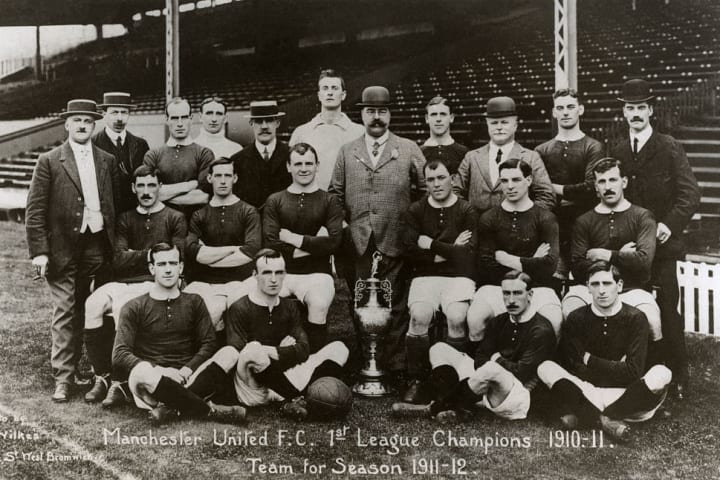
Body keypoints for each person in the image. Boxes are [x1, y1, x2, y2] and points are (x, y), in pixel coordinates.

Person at [608, 78, 701, 400]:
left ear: (650, 110)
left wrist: (669, 225)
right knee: (632, 307)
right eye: (629, 108)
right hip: (630, 246)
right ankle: (638, 369)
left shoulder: (669, 145)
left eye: (640, 108)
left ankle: (678, 374)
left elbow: (690, 194)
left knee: (665, 308)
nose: (635, 113)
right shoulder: (618, 149)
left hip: (662, 247)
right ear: (624, 112)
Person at [26, 99, 120, 402]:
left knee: (90, 309)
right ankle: (63, 378)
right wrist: (40, 252)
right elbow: (35, 210)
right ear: (67, 124)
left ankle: (93, 372)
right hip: (62, 248)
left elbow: (113, 204)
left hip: (97, 245)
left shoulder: (106, 159)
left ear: (94, 125)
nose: (82, 126)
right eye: (77, 120)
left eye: (88, 121)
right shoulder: (49, 160)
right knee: (65, 310)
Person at [185, 249, 350, 421]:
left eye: (279, 273)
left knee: (339, 348)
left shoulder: (289, 307)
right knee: (252, 349)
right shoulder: (240, 307)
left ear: (285, 274)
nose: (273, 279)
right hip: (253, 387)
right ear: (255, 275)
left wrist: (274, 351)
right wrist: (280, 350)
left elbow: (304, 349)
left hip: (284, 377)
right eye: (267, 273)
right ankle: (297, 399)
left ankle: (310, 398)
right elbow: (240, 351)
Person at [330, 85, 426, 373]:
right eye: (370, 111)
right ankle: (365, 360)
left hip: (396, 238)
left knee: (395, 303)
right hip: (358, 240)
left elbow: (424, 191)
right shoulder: (347, 151)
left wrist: (412, 226)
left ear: (390, 114)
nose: (376, 117)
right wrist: (344, 224)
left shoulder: (408, 148)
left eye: (382, 111)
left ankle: (394, 365)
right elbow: (334, 193)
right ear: (361, 114)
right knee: (359, 301)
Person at [83, 165, 187, 406]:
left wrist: (135, 255)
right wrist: (151, 253)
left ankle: (120, 382)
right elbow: (118, 260)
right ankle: (103, 376)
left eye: (152, 185)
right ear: (133, 188)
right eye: (141, 186)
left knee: (125, 308)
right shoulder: (125, 218)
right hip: (124, 281)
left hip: (154, 284)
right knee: (93, 303)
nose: (146, 191)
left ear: (160, 187)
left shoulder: (175, 217)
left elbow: (176, 259)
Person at [392, 271, 556, 422]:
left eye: (518, 293)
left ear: (530, 294)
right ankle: (460, 407)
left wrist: (496, 359)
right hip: (486, 382)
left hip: (516, 395)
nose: (511, 300)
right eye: (506, 293)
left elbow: (522, 373)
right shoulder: (499, 321)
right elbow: (480, 357)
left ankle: (433, 408)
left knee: (491, 368)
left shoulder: (541, 329)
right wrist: (490, 364)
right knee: (439, 349)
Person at [538, 261, 672, 442]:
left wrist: (590, 359)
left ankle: (588, 415)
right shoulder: (577, 318)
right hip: (589, 391)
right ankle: (606, 420)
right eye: (595, 284)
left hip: (627, 396)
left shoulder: (636, 318)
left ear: (619, 285)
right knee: (545, 367)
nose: (601, 290)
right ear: (587, 287)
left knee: (663, 374)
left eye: (607, 283)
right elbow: (575, 367)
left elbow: (633, 372)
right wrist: (616, 367)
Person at [112, 242, 245, 424]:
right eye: (161, 264)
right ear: (152, 268)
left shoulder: (194, 301)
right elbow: (119, 354)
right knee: (141, 372)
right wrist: (161, 370)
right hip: (153, 385)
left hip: (189, 379)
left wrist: (186, 370)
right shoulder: (134, 306)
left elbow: (209, 343)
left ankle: (170, 409)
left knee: (230, 353)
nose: (168, 270)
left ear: (180, 267)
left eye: (173, 263)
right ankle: (210, 411)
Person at [400, 157, 477, 403]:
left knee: (456, 317)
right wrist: (451, 249)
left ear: (452, 179)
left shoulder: (466, 210)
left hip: (458, 277)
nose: (436, 184)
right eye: (430, 179)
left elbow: (468, 255)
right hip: (424, 276)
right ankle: (418, 379)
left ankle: (451, 379)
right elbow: (411, 252)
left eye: (441, 177)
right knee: (419, 315)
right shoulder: (416, 210)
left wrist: (432, 245)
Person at [563, 158, 662, 343]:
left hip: (632, 289)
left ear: (624, 182)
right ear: (595, 186)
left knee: (652, 320)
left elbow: (643, 262)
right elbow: (577, 267)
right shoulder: (584, 221)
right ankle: (575, 366)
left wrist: (606, 254)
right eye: (602, 181)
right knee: (569, 310)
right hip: (590, 289)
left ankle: (653, 366)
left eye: (613, 180)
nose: (607, 187)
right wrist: (622, 256)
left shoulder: (642, 216)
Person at [467, 159, 562, 345]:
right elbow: (485, 265)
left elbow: (549, 265)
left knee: (555, 320)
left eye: (516, 180)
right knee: (475, 319)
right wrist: (531, 261)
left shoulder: (546, 218)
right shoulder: (489, 218)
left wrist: (508, 259)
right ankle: (478, 367)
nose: (509, 186)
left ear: (528, 180)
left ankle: (543, 369)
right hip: (496, 288)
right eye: (504, 181)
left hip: (537, 288)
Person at [263, 143, 344, 352]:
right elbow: (271, 241)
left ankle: (314, 363)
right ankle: (274, 361)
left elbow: (335, 242)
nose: (304, 168)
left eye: (309, 163)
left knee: (317, 304)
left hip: (317, 274)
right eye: (298, 163)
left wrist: (294, 239)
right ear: (288, 167)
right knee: (265, 304)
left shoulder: (329, 200)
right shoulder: (275, 200)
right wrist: (317, 244)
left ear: (317, 166)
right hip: (282, 272)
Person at [185, 158, 261, 332]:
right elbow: (193, 252)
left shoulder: (248, 211)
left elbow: (250, 251)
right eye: (218, 175)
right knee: (202, 316)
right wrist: (232, 249)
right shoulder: (199, 215)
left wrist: (209, 257)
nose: (223, 180)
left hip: (241, 281)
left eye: (227, 175)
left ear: (235, 178)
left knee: (238, 316)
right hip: (205, 283)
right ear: (210, 178)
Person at [535, 89, 604, 279]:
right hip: (553, 228)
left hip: (586, 227)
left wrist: (553, 187)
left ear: (580, 110)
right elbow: (537, 190)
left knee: (587, 282)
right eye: (560, 108)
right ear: (554, 112)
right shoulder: (542, 150)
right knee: (553, 280)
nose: (565, 112)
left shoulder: (593, 146)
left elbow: (590, 187)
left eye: (570, 107)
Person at [456, 96, 555, 215]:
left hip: (516, 229)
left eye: (504, 122)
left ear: (515, 125)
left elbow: (547, 196)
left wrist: (523, 220)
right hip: (476, 228)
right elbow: (455, 191)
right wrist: (467, 217)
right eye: (494, 123)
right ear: (487, 124)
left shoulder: (531, 157)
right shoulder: (471, 157)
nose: (499, 127)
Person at [289, 69, 364, 190]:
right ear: (319, 95)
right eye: (325, 88)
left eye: (334, 88)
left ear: (343, 95)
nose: (330, 93)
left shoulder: (359, 132)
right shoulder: (301, 132)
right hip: (312, 203)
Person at [143, 97, 213, 218]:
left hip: (195, 226)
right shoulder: (153, 155)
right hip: (162, 224)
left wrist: (161, 195)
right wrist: (191, 185)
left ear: (191, 119)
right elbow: (147, 193)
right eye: (174, 118)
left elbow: (203, 197)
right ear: (167, 120)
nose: (180, 123)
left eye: (184, 117)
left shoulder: (204, 154)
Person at [93, 92, 150, 214]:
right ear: (104, 114)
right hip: (104, 214)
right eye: (114, 112)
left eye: (124, 112)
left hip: (134, 214)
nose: (119, 118)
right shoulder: (93, 144)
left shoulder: (141, 145)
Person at [231, 100, 291, 210]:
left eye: (269, 120)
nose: (264, 126)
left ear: (277, 123)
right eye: (258, 121)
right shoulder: (237, 160)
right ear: (251, 123)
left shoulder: (291, 156)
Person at [420, 96, 468, 188]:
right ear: (427, 118)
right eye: (434, 114)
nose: (438, 119)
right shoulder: (417, 152)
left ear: (451, 117)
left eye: (443, 114)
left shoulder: (464, 153)